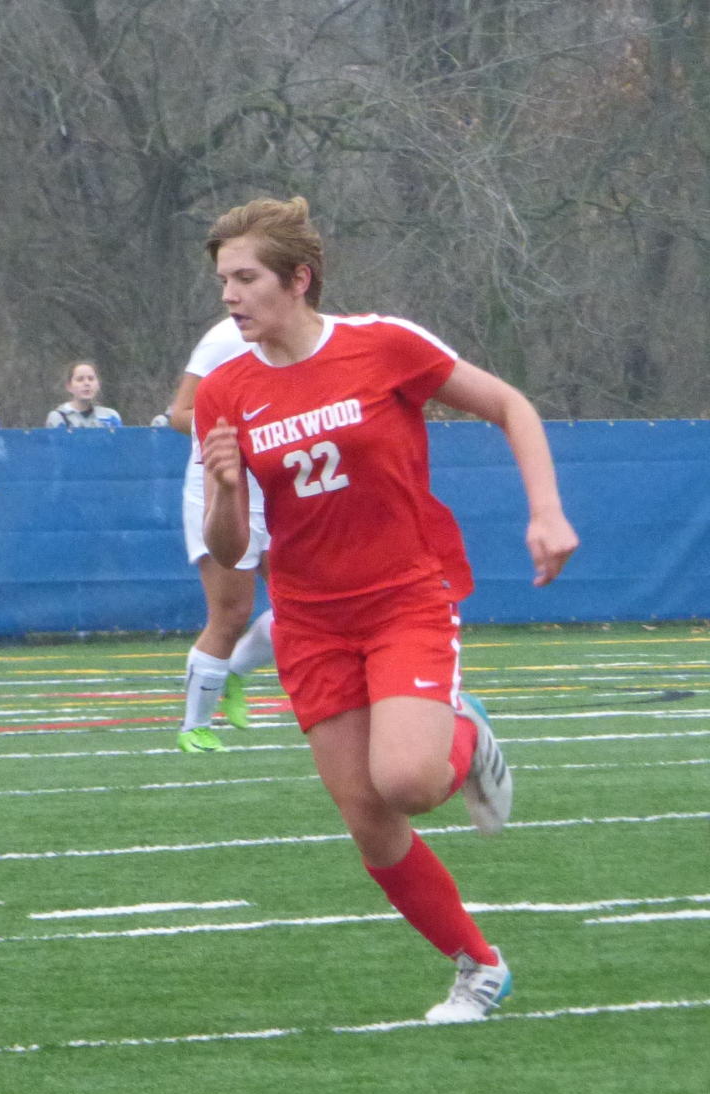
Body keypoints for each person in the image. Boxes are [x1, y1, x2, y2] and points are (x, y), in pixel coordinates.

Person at [194, 196, 578, 1024]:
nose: (229, 294)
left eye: (246, 276)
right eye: (222, 279)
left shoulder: (385, 344)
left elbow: (512, 404)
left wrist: (546, 511)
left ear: (299, 279)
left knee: (405, 780)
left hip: (404, 596)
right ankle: (478, 965)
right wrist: (226, 489)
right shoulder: (225, 392)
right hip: (310, 621)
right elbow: (227, 549)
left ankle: (462, 731)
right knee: (369, 820)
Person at [169, 320, 276, 752]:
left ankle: (234, 670)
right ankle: (193, 726)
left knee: (307, 602)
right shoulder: (225, 338)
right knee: (232, 613)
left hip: (277, 481)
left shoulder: (310, 338)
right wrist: (238, 429)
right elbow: (180, 414)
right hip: (220, 483)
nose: (234, 293)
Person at [45, 360, 121, 429]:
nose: (87, 383)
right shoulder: (58, 417)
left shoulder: (110, 416)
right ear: (69, 386)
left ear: (98, 384)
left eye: (91, 379)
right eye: (80, 379)